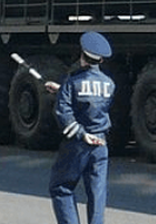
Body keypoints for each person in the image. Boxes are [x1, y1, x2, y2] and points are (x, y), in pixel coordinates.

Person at [45, 31, 116, 224]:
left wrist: (82, 135)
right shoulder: (109, 84)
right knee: (97, 194)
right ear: (100, 59)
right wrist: (62, 90)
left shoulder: (72, 82)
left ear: (82, 55)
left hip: (78, 145)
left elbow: (64, 114)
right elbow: (93, 103)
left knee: (61, 187)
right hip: (101, 143)